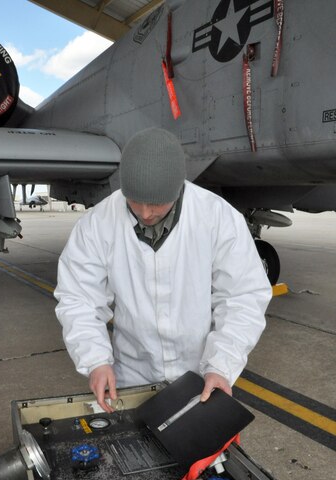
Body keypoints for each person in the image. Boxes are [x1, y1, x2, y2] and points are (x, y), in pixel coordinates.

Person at [55, 128, 272, 413]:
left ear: (178, 188)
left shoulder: (217, 217)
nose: (145, 213)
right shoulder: (97, 224)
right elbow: (79, 299)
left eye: (156, 203)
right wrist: (96, 360)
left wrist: (221, 365)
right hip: (131, 374)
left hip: (200, 376)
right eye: (134, 201)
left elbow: (242, 297)